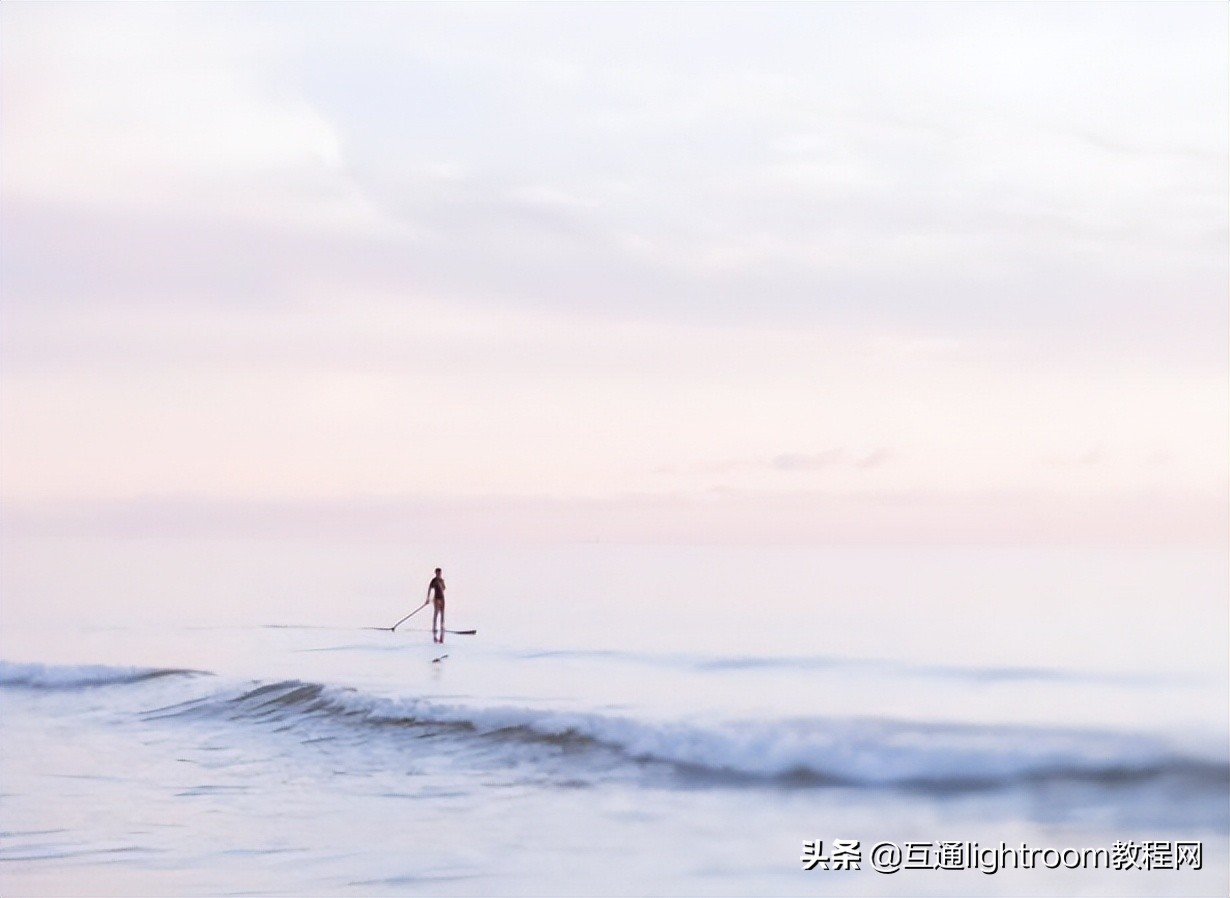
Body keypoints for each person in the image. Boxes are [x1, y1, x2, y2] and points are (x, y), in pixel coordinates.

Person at [427, 568, 446, 643]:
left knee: (442, 614)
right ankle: (434, 627)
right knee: (436, 613)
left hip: (442, 598)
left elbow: (444, 588)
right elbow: (430, 589)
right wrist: (428, 598)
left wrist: (442, 584)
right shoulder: (434, 580)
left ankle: (442, 627)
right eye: (438, 573)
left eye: (440, 573)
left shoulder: (441, 580)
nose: (439, 574)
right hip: (436, 599)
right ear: (435, 573)